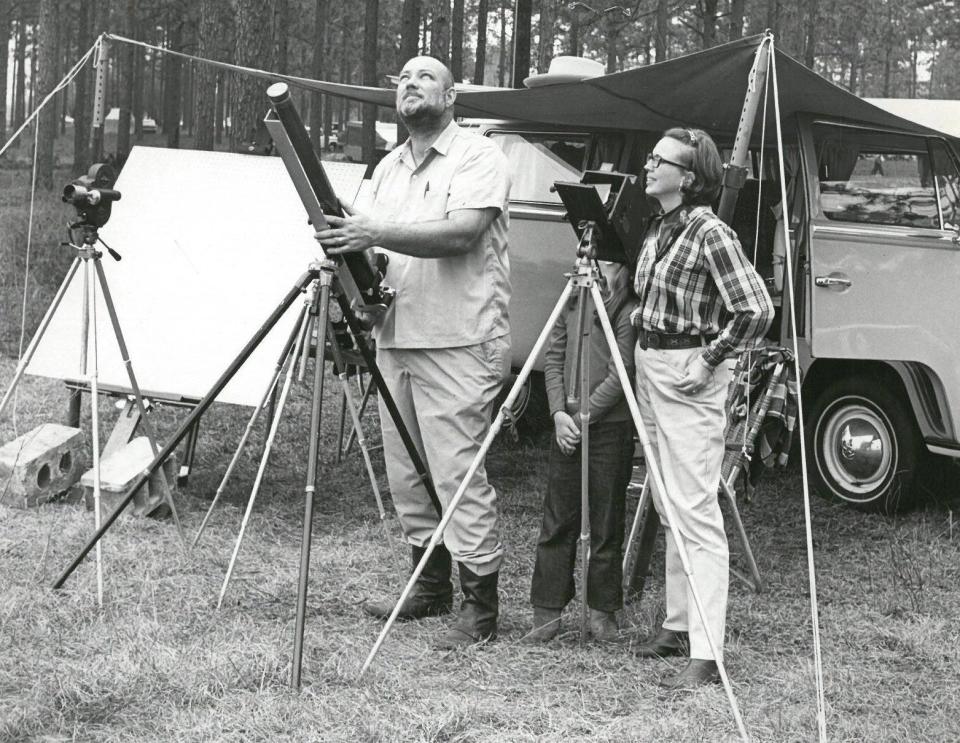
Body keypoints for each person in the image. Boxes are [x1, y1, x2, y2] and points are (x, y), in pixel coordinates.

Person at [315, 56, 511, 649]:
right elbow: (372, 248)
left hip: (460, 337)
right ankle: (429, 587)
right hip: (396, 332)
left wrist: (370, 234)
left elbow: (462, 232)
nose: (409, 84)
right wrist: (352, 264)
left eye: (424, 77)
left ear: (452, 96)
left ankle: (481, 607)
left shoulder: (479, 156)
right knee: (407, 472)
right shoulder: (386, 169)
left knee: (456, 472)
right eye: (401, 78)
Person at [629, 128, 773, 689]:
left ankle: (707, 651)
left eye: (658, 160)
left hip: (689, 375)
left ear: (687, 177)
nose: (647, 165)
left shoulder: (710, 231)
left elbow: (755, 309)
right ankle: (676, 625)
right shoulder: (661, 227)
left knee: (695, 508)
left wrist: (710, 359)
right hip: (652, 365)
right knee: (667, 501)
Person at [526, 261, 637, 643]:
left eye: (607, 263)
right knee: (558, 517)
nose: (597, 269)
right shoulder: (572, 299)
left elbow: (622, 370)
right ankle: (547, 611)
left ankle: (602, 612)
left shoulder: (624, 307)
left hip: (609, 427)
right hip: (568, 426)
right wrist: (558, 412)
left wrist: (586, 415)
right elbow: (553, 358)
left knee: (606, 520)